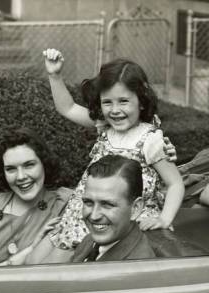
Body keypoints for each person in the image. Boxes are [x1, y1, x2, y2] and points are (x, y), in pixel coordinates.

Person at [33, 49, 184, 262]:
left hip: (113, 220)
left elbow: (175, 183)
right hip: (81, 213)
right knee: (34, 263)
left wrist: (164, 218)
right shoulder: (105, 127)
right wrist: (54, 76)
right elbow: (67, 108)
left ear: (141, 101)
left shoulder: (150, 140)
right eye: (107, 102)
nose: (115, 110)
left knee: (52, 273)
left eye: (123, 101)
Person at [0, 129, 70, 266]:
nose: (20, 177)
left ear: (44, 164)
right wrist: (31, 249)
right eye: (11, 169)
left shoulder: (63, 204)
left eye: (29, 165)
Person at [72, 155, 155, 262]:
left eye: (107, 204)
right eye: (88, 202)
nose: (94, 216)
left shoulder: (135, 267)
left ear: (135, 208)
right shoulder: (89, 241)